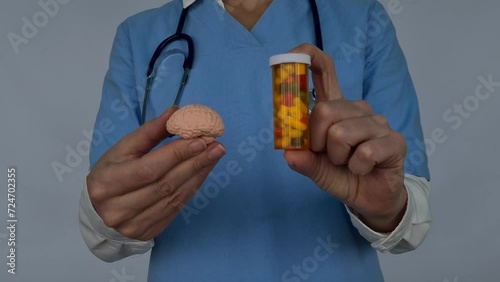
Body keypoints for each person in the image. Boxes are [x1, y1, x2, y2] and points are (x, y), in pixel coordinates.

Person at [79, 0, 432, 281]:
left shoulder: (363, 18)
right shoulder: (139, 35)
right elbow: (108, 207)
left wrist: (387, 206)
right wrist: (104, 221)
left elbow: (409, 220)